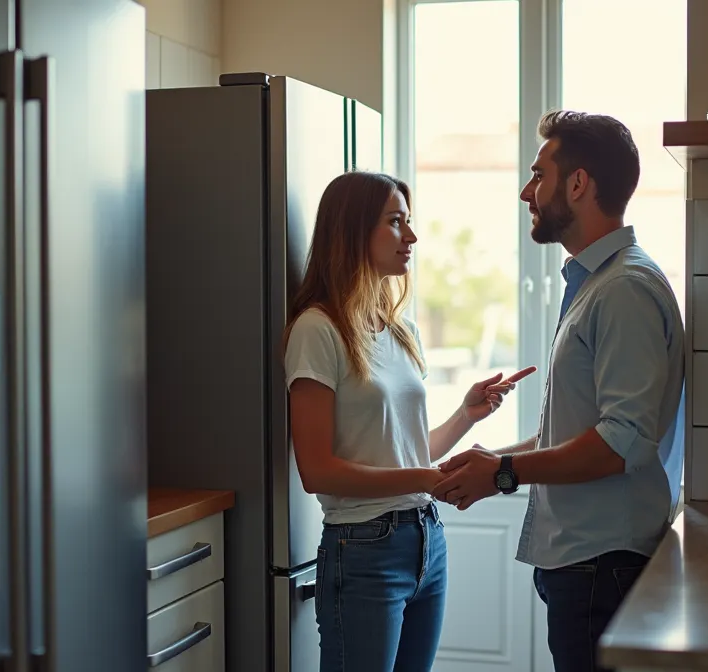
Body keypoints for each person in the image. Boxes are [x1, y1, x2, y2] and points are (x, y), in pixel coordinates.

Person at [432, 110, 686, 672]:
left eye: (538, 175)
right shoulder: (599, 283)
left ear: (578, 184)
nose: (527, 192)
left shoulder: (623, 290)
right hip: (589, 565)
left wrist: (503, 472)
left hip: (602, 565)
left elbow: (621, 442)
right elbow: (578, 431)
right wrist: (492, 459)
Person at [283, 170, 536, 672]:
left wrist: (466, 415)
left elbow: (407, 451)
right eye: (396, 222)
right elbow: (317, 472)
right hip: (363, 547)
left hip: (426, 540)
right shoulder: (317, 330)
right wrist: (426, 479)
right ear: (354, 231)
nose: (412, 237)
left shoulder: (401, 330)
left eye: (409, 221)